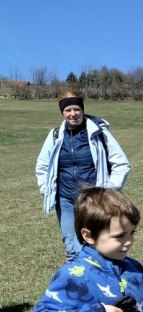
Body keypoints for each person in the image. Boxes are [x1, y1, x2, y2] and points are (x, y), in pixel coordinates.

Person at [35, 90, 131, 262]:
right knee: (71, 246)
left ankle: (103, 281)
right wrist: (45, 188)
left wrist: (108, 190)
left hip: (91, 201)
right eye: (68, 110)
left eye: (76, 109)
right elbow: (42, 165)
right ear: (62, 113)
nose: (73, 114)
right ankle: (79, 285)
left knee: (96, 244)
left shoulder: (98, 133)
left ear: (82, 109)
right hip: (65, 200)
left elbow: (121, 163)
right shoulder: (55, 135)